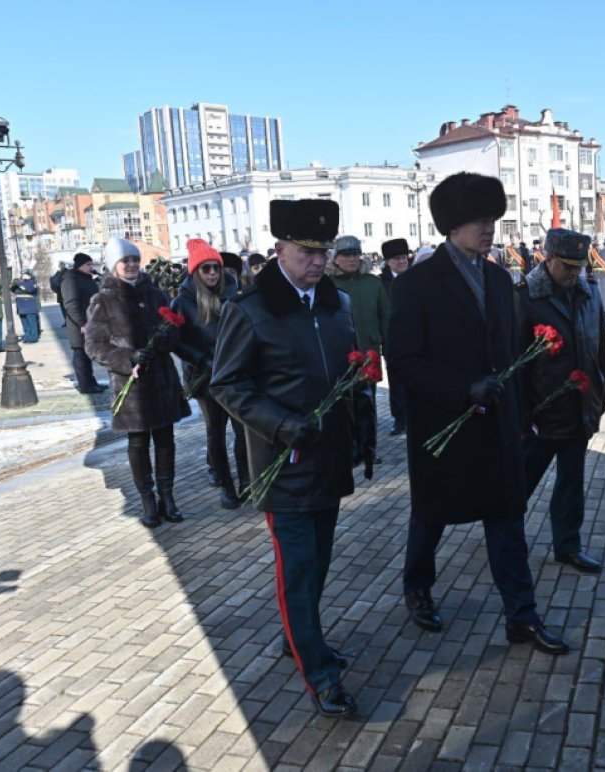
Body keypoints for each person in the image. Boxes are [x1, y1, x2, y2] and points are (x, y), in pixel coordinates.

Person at [386, 171, 568, 656]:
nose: (488, 229)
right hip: (445, 422)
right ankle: (417, 586)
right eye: (476, 221)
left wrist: (522, 405)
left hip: (498, 423)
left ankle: (521, 617)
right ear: (451, 225)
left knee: (506, 519)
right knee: (432, 516)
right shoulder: (417, 284)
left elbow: (509, 348)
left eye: (491, 219)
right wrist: (463, 389)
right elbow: (403, 361)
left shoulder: (498, 277)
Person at [212, 199, 375, 717]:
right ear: (279, 248)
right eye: (307, 251)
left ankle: (299, 636)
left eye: (323, 251)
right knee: (299, 569)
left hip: (329, 459)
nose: (318, 261)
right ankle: (319, 674)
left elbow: (347, 379)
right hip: (284, 463)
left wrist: (361, 430)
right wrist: (280, 424)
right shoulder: (251, 308)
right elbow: (227, 384)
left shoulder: (337, 306)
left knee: (319, 563)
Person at [517, 228, 605, 573]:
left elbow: (601, 350)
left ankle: (567, 545)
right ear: (549, 258)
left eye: (579, 267)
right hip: (539, 414)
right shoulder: (526, 297)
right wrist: (522, 414)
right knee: (521, 483)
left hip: (578, 409)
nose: (574, 274)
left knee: (571, 483)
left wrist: (602, 394)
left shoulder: (589, 294)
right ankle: (507, 537)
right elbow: (514, 359)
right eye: (567, 267)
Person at [85, 238, 192, 527]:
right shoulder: (103, 300)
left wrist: (166, 339)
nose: (132, 265)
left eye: (135, 259)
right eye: (125, 261)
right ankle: (148, 500)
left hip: (162, 380)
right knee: (139, 442)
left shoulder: (156, 293)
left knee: (166, 440)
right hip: (131, 386)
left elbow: (173, 333)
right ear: (113, 265)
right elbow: (94, 346)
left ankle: (168, 498)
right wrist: (128, 357)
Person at [172, 239, 247, 509]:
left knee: (242, 429)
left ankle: (246, 481)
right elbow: (177, 341)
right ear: (195, 272)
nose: (213, 273)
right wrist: (203, 360)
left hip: (235, 373)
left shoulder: (233, 292)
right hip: (205, 376)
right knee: (216, 430)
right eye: (206, 269)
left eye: (216, 267)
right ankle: (226, 485)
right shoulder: (183, 300)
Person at [330, 235, 388, 462]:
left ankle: (369, 449)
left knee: (368, 404)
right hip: (340, 354)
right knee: (344, 405)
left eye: (355, 254)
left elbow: (386, 317)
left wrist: (388, 347)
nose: (351, 259)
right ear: (336, 259)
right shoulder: (328, 285)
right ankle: (351, 448)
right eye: (346, 255)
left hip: (368, 352)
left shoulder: (372, 283)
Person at [380, 237, 411, 436]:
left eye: (404, 257)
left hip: (417, 337)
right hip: (392, 339)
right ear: (388, 261)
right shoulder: (381, 284)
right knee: (397, 381)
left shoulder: (418, 277)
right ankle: (399, 418)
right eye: (397, 259)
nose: (402, 261)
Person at [60, 253, 104, 394]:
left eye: (91, 264)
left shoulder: (86, 278)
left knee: (88, 354)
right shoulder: (70, 280)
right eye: (88, 265)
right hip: (79, 325)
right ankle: (85, 385)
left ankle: (91, 382)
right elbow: (71, 304)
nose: (91, 267)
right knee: (80, 354)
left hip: (90, 322)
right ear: (79, 265)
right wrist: (82, 323)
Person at [11, 269, 41, 344]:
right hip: (21, 306)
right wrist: (13, 284)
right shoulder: (21, 283)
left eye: (25, 274)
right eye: (22, 274)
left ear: (29, 276)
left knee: (32, 323)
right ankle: (27, 336)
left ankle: (33, 337)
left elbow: (29, 290)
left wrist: (19, 284)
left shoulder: (32, 283)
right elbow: (13, 290)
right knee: (25, 323)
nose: (23, 276)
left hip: (29, 305)